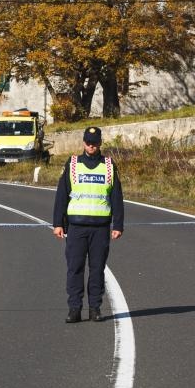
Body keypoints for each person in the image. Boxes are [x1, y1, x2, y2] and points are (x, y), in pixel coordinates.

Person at [51, 125, 124, 323]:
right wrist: (58, 223)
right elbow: (61, 195)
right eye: (88, 142)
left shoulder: (109, 165)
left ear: (100, 143)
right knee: (75, 268)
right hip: (76, 227)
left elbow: (117, 197)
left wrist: (118, 225)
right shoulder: (72, 163)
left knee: (97, 269)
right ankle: (74, 308)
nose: (91, 146)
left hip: (100, 228)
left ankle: (95, 308)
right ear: (83, 142)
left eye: (95, 143)